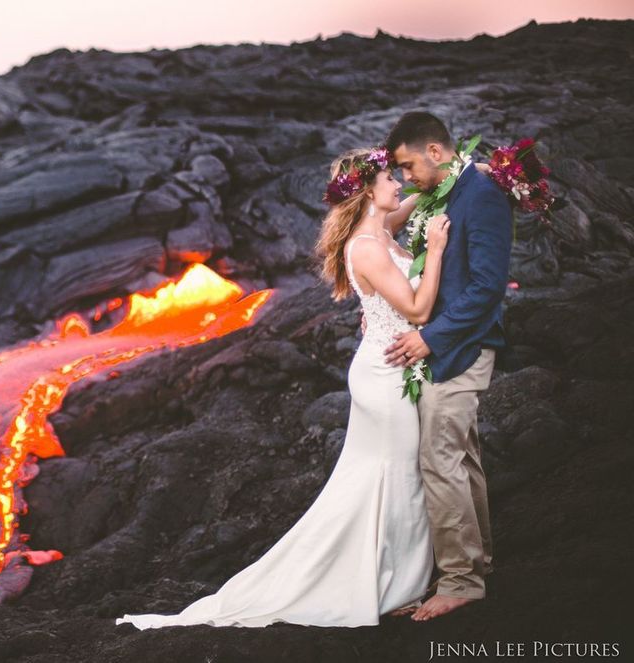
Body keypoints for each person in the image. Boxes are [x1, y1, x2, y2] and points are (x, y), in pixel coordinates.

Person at [115, 146, 451, 629]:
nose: (398, 182)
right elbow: (418, 311)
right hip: (386, 373)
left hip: (388, 364)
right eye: (389, 178)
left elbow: (420, 197)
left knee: (383, 478)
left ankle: (388, 575)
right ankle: (385, 582)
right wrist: (435, 251)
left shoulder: (382, 228)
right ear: (367, 192)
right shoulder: (369, 246)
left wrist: (463, 172)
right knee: (398, 475)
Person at [383, 111, 512, 622]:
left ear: (435, 152)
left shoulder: (480, 196)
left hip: (460, 348)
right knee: (462, 456)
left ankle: (462, 580)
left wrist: (428, 338)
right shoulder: (448, 190)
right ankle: (480, 560)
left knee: (438, 459)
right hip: (447, 346)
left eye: (409, 166)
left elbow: (486, 287)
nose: (406, 178)